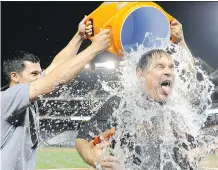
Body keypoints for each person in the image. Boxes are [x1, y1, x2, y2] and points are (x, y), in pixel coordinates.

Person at [75, 20, 216, 170]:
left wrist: (181, 41)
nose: (168, 71)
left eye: (171, 67)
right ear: (140, 74)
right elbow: (82, 139)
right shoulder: (122, 104)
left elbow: (190, 76)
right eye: (159, 66)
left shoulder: (177, 107)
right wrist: (95, 161)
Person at [1, 15, 111, 170]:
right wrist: (93, 49)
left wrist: (79, 37)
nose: (40, 77)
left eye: (40, 73)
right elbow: (55, 80)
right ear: (14, 76)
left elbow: (56, 66)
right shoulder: (6, 99)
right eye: (34, 74)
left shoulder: (26, 96)